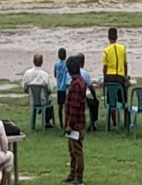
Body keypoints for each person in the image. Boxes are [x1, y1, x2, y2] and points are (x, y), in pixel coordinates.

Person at [63, 56, 86, 185]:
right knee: (72, 149)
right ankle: (72, 173)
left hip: (75, 123)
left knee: (77, 150)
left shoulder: (76, 85)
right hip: (75, 122)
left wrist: (70, 124)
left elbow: (74, 106)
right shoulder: (79, 81)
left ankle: (78, 176)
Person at [102, 27, 129, 127]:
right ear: (117, 37)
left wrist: (104, 80)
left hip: (109, 77)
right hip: (120, 78)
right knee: (124, 101)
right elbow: (125, 64)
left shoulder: (106, 51)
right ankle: (126, 121)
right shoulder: (123, 48)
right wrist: (125, 77)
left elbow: (104, 68)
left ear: (108, 37)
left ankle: (114, 123)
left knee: (111, 101)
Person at [22, 53, 55, 127]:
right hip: (43, 100)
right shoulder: (45, 75)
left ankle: (32, 124)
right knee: (49, 100)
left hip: (32, 99)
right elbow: (50, 89)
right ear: (42, 62)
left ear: (33, 61)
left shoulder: (27, 73)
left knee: (35, 104)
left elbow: (25, 87)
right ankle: (47, 121)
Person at [55, 48, 68, 128]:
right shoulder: (67, 64)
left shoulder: (56, 64)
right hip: (65, 87)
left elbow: (55, 74)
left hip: (59, 87)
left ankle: (61, 123)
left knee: (60, 106)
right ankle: (66, 122)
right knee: (66, 106)